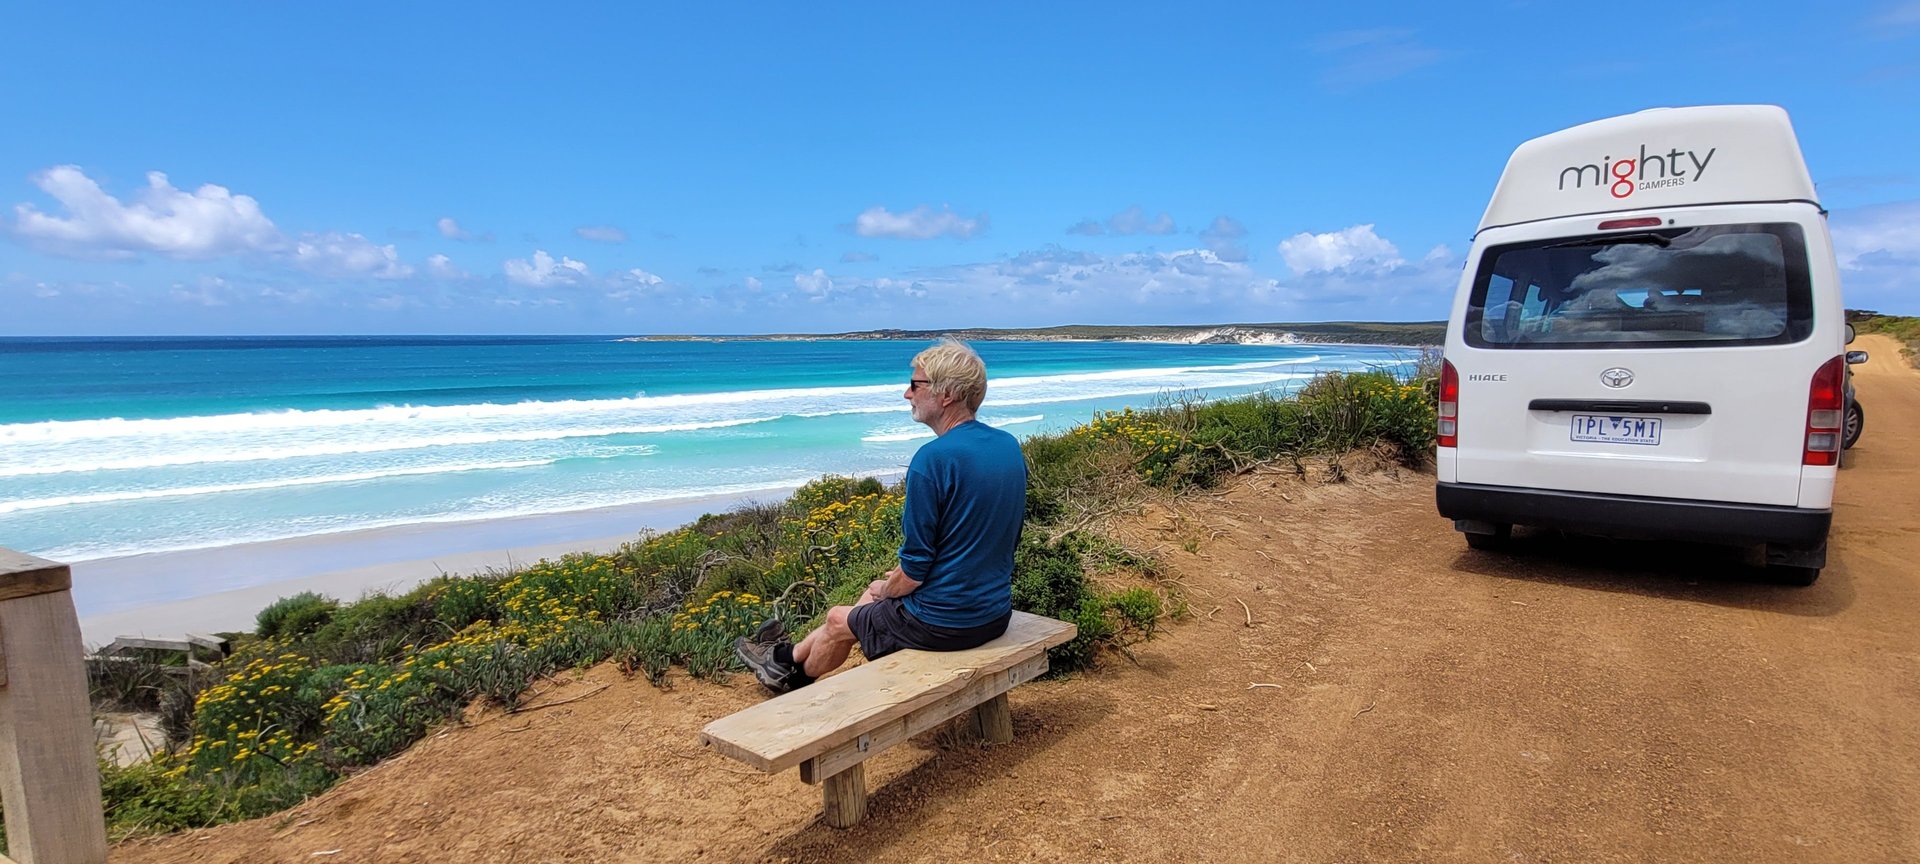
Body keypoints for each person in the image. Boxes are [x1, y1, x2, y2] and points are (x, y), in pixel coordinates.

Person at [734, 339, 1027, 694]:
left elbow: (914, 570)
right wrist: (892, 587)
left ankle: (790, 678)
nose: (907, 394)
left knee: (839, 618)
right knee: (868, 599)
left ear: (947, 394)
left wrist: (891, 588)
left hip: (945, 623)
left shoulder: (933, 460)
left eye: (916, 385)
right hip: (993, 613)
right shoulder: (1007, 446)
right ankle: (784, 659)